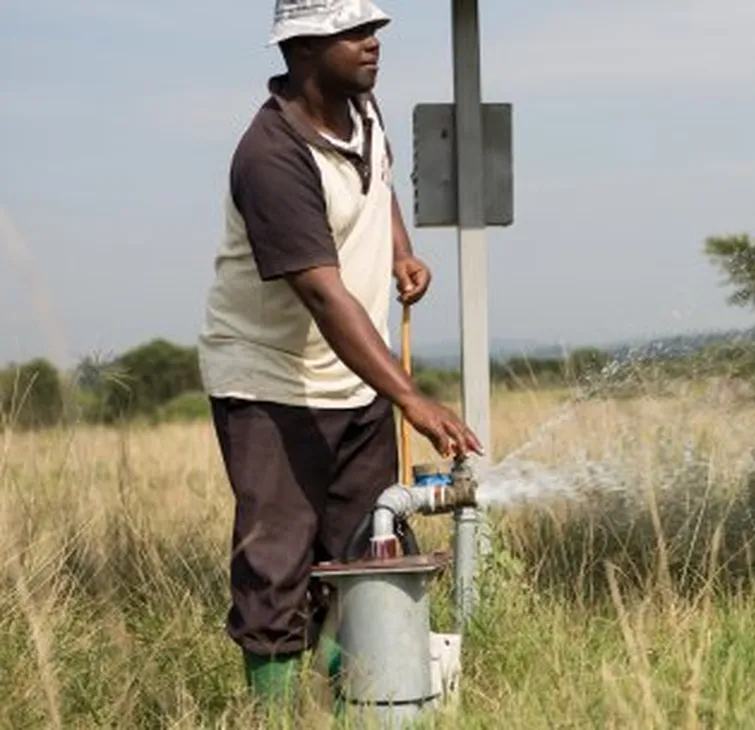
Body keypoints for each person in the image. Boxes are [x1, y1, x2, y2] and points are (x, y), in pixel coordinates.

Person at [195, 0, 483, 708]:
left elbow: (375, 178)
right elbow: (325, 299)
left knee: (367, 550)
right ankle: (277, 718)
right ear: (300, 49)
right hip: (270, 389)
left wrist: (401, 251)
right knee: (276, 565)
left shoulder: (363, 110)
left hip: (353, 384)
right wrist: (411, 397)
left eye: (374, 27)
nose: (373, 41)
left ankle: (361, 709)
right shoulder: (269, 158)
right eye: (352, 31)